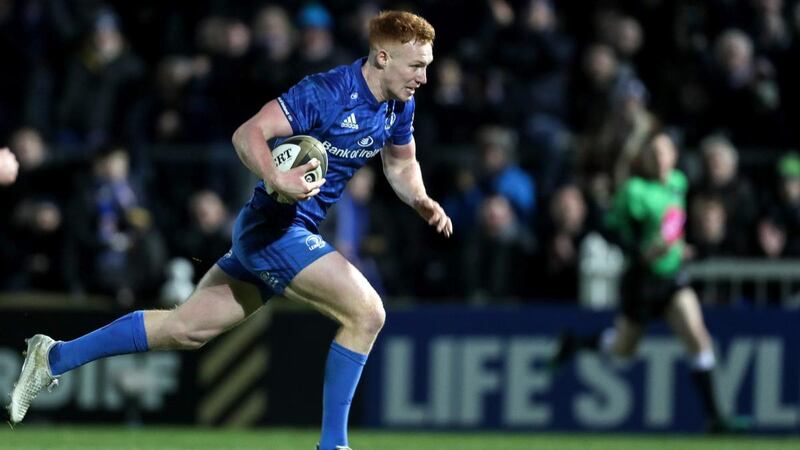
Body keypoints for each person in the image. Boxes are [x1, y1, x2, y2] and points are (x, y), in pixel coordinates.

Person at [8, 10, 451, 450]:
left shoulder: (399, 103)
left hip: (280, 230)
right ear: (381, 58)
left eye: (427, 66)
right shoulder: (328, 91)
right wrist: (276, 178)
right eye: (416, 66)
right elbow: (248, 134)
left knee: (185, 329)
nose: (423, 77)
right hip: (276, 227)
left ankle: (53, 356)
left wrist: (421, 199)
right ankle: (332, 445)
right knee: (368, 313)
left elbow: (400, 162)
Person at [549, 131, 745, 433]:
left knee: (697, 336)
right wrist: (639, 251)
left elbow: (674, 227)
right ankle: (575, 343)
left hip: (671, 278)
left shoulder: (679, 184)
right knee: (623, 349)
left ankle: (716, 418)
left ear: (674, 157)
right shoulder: (635, 191)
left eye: (664, 152)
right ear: (645, 159)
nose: (660, 158)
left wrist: (684, 246)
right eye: (653, 153)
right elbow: (609, 228)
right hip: (641, 282)